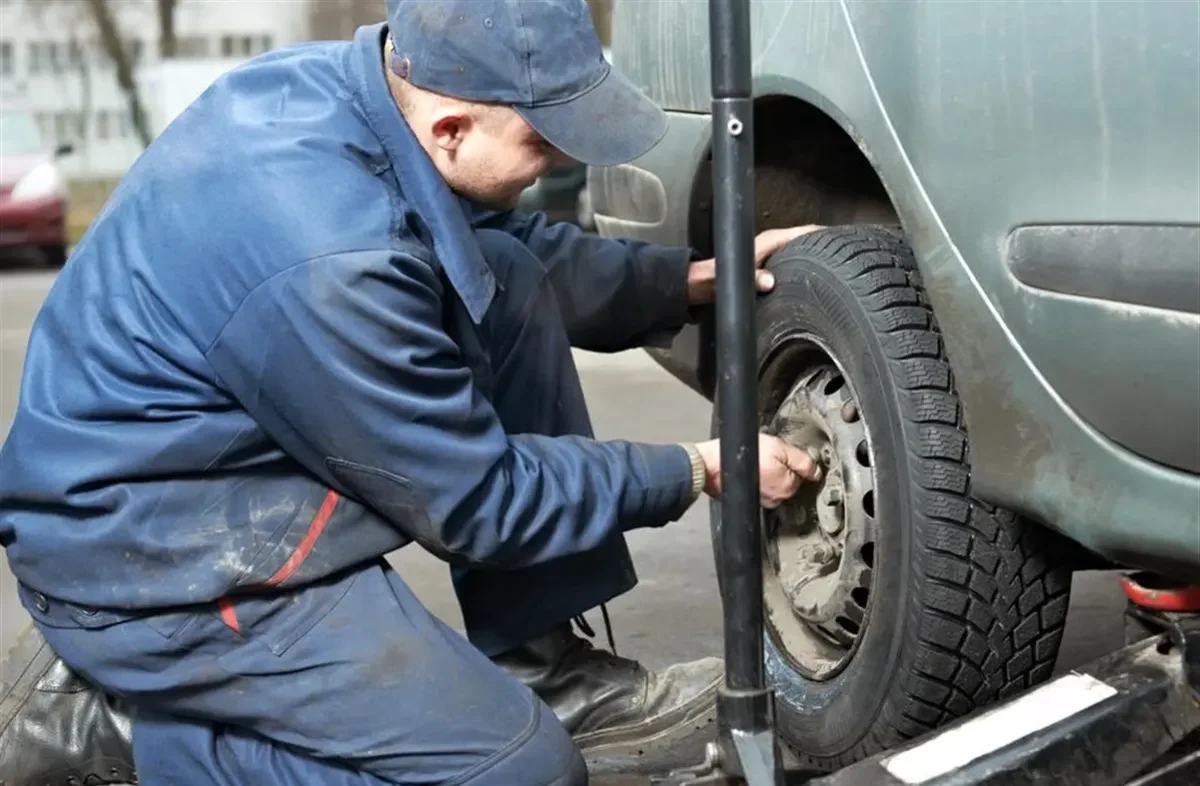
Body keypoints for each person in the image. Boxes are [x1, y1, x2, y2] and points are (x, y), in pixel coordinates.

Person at [0, 2, 822, 785]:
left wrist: (683, 281)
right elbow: (480, 498)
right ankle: (119, 724)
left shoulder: (355, 93)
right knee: (521, 770)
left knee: (506, 276)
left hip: (215, 458)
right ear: (451, 128)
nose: (566, 161)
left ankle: (546, 672)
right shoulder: (336, 264)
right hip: (160, 552)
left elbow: (487, 243)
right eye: (544, 139)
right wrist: (695, 469)